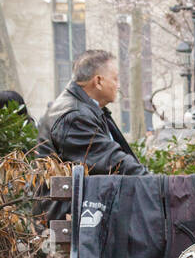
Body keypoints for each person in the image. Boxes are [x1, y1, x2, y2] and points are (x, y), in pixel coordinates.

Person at [35, 50, 146, 224]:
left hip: (82, 213)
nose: (118, 85)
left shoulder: (84, 108)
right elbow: (113, 162)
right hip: (67, 220)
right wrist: (160, 187)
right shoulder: (74, 117)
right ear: (99, 81)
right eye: (115, 79)